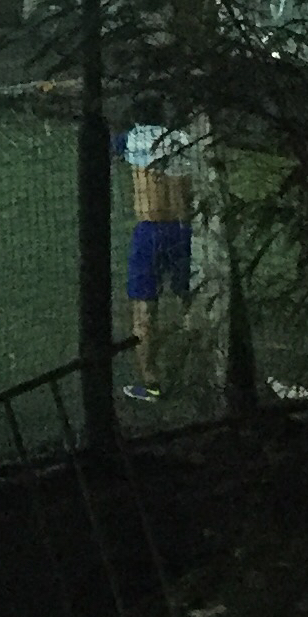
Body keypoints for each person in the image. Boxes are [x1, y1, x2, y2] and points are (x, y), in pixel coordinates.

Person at [120, 99, 200, 401]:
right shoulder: (182, 139)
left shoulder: (133, 138)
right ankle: (199, 374)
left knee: (144, 310)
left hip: (150, 231)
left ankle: (151, 383)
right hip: (182, 230)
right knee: (191, 301)